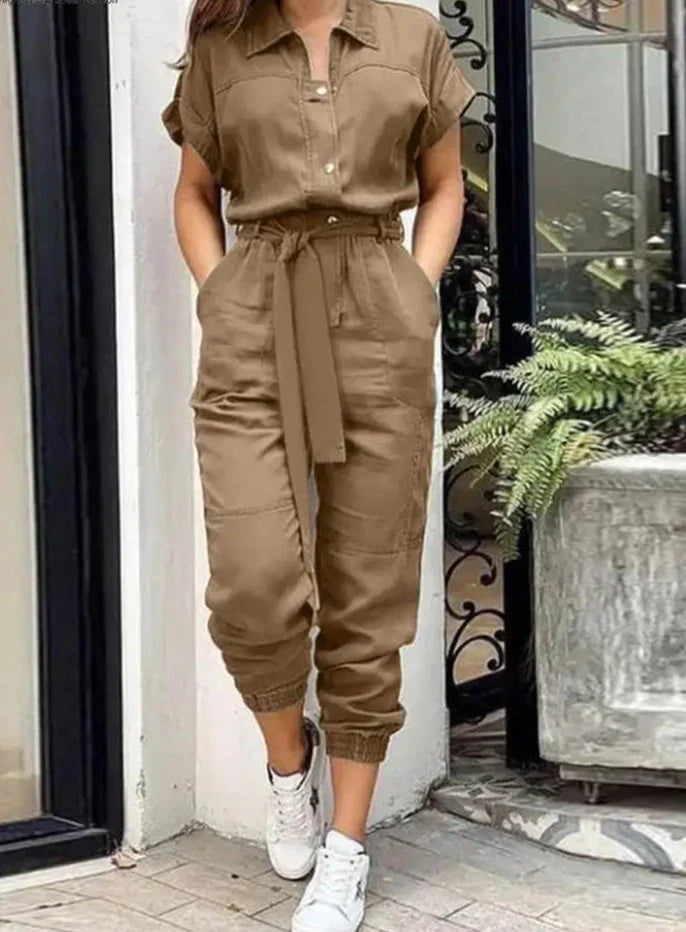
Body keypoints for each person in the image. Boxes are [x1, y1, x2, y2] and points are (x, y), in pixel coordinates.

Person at [162, 0, 473, 926]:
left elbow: (445, 184)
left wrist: (414, 291)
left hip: (378, 318)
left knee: (368, 591)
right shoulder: (222, 45)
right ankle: (287, 765)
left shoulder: (412, 37)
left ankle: (346, 847)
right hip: (255, 318)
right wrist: (220, 293)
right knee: (253, 584)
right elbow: (194, 191)